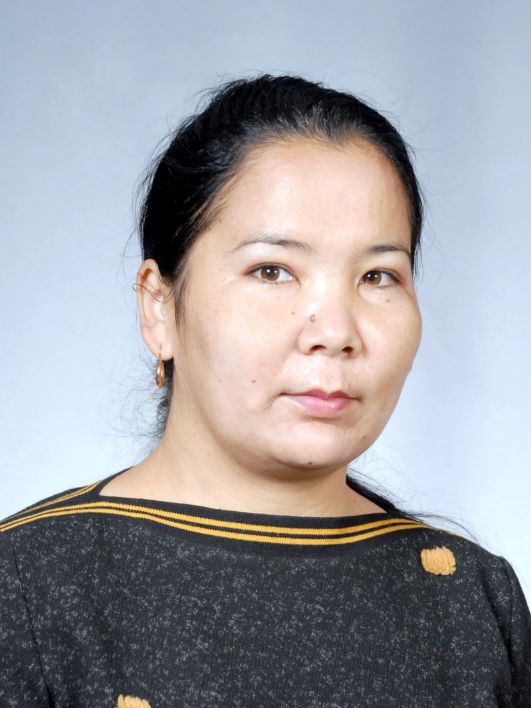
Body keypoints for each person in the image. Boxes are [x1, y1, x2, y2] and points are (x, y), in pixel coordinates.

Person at [0, 73, 529, 707]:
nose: (334, 332)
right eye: (272, 271)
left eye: (377, 276)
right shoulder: (29, 584)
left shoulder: (471, 600)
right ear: (159, 307)